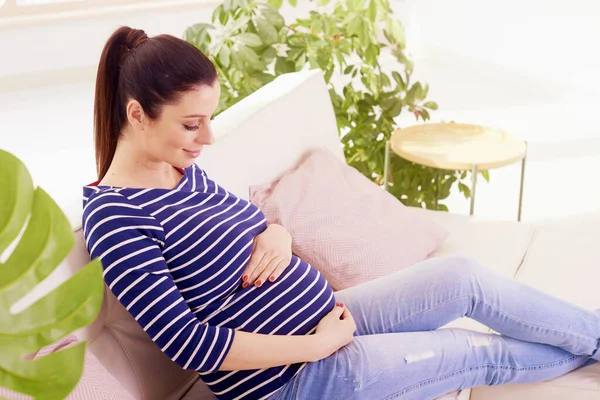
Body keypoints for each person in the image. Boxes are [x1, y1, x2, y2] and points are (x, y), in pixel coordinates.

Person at [82, 26, 600, 400]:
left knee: (462, 277)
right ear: (136, 115)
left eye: (210, 119)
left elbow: (247, 228)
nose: (208, 137)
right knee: (472, 351)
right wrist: (313, 348)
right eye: (192, 124)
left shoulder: (179, 168)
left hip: (328, 316)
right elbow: (191, 346)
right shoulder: (116, 217)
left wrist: (277, 234)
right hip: (295, 380)